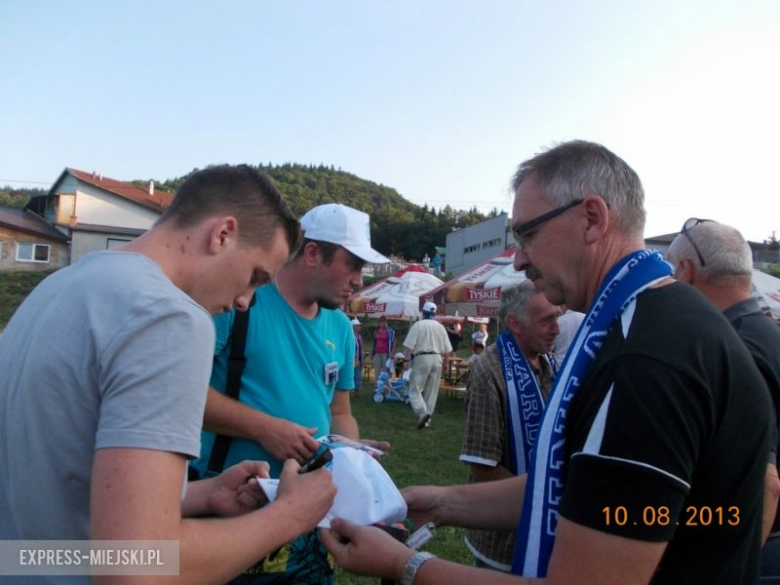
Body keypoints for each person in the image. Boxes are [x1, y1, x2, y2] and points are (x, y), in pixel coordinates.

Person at [320, 140, 778, 584]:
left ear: (592, 219)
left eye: (528, 233)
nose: (519, 259)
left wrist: (406, 566)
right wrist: (440, 503)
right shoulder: (664, 321)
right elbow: (584, 491)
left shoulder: (642, 358)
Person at [0, 164, 337, 584]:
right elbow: (133, 568)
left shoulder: (58, 288)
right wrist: (289, 517)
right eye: (255, 277)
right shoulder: (169, 317)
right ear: (223, 235)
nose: (245, 301)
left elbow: (63, 490)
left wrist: (203, 494)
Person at [193, 203, 391, 585]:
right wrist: (264, 429)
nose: (358, 280)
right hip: (231, 504)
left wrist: (347, 452)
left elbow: (340, 411)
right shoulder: (239, 302)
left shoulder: (340, 327)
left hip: (311, 517)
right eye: (352, 264)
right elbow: (180, 394)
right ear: (313, 252)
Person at [667, 219, 780, 582]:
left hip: (757, 550)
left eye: (670, 273)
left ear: (684, 272)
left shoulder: (734, 349)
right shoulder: (765, 334)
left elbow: (767, 483)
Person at [460, 280, 560, 572]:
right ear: (515, 323)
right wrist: (538, 501)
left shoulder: (548, 362)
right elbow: (480, 465)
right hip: (503, 539)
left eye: (557, 318)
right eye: (547, 320)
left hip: (546, 528)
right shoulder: (488, 370)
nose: (556, 328)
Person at [402, 301, 452, 429]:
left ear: (423, 312)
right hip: (437, 358)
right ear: (434, 313)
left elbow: (409, 346)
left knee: (414, 388)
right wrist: (446, 363)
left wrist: (406, 361)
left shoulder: (418, 325)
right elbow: (447, 349)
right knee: (432, 391)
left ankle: (423, 412)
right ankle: (426, 420)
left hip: (422, 358)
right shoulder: (440, 327)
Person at [351, 317, 364, 394]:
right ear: (353, 327)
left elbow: (362, 347)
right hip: (352, 359)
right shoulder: (350, 336)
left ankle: (356, 391)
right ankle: (352, 390)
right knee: (353, 374)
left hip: (359, 359)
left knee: (358, 374)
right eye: (357, 325)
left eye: (359, 325)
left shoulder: (360, 337)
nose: (359, 327)